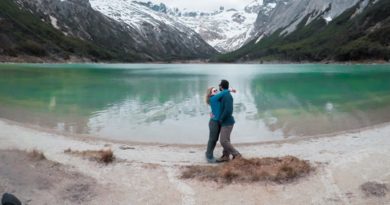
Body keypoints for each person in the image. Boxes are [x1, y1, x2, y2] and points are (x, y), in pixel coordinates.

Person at [204, 86, 235, 163]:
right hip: (214, 122)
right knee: (213, 139)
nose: (216, 91)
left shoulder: (218, 98)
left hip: (220, 121)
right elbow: (223, 92)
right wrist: (230, 90)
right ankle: (209, 155)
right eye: (214, 91)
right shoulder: (213, 98)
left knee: (224, 139)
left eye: (216, 90)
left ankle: (225, 155)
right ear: (210, 93)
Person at [216, 79, 241, 162]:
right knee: (226, 140)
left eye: (219, 85)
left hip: (227, 122)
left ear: (221, 86)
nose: (219, 86)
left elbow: (228, 110)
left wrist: (221, 119)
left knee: (223, 141)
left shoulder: (227, 96)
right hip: (226, 122)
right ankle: (226, 156)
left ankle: (237, 155)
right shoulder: (224, 94)